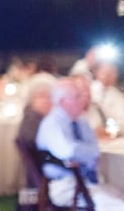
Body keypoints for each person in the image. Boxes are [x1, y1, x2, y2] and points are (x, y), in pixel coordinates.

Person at [36, 78, 124, 208]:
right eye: (77, 97)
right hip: (66, 186)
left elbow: (94, 149)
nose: (82, 100)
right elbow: (68, 151)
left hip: (90, 182)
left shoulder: (81, 121)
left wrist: (84, 153)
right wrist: (87, 153)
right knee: (117, 206)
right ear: (62, 102)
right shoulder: (53, 124)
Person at [90, 62, 124, 134]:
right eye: (105, 72)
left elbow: (121, 119)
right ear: (97, 73)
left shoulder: (118, 95)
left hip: (113, 133)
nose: (108, 76)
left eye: (112, 73)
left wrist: (110, 130)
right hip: (91, 131)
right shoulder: (88, 90)